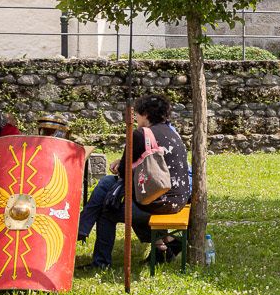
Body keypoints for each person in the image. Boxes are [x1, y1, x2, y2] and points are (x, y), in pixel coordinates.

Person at [77, 95, 194, 268]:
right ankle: (165, 246)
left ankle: (98, 258)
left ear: (145, 114)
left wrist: (119, 165)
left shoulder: (142, 134)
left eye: (137, 115)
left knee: (107, 209)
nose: (135, 119)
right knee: (108, 183)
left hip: (158, 201)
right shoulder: (173, 133)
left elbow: (124, 172)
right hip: (177, 199)